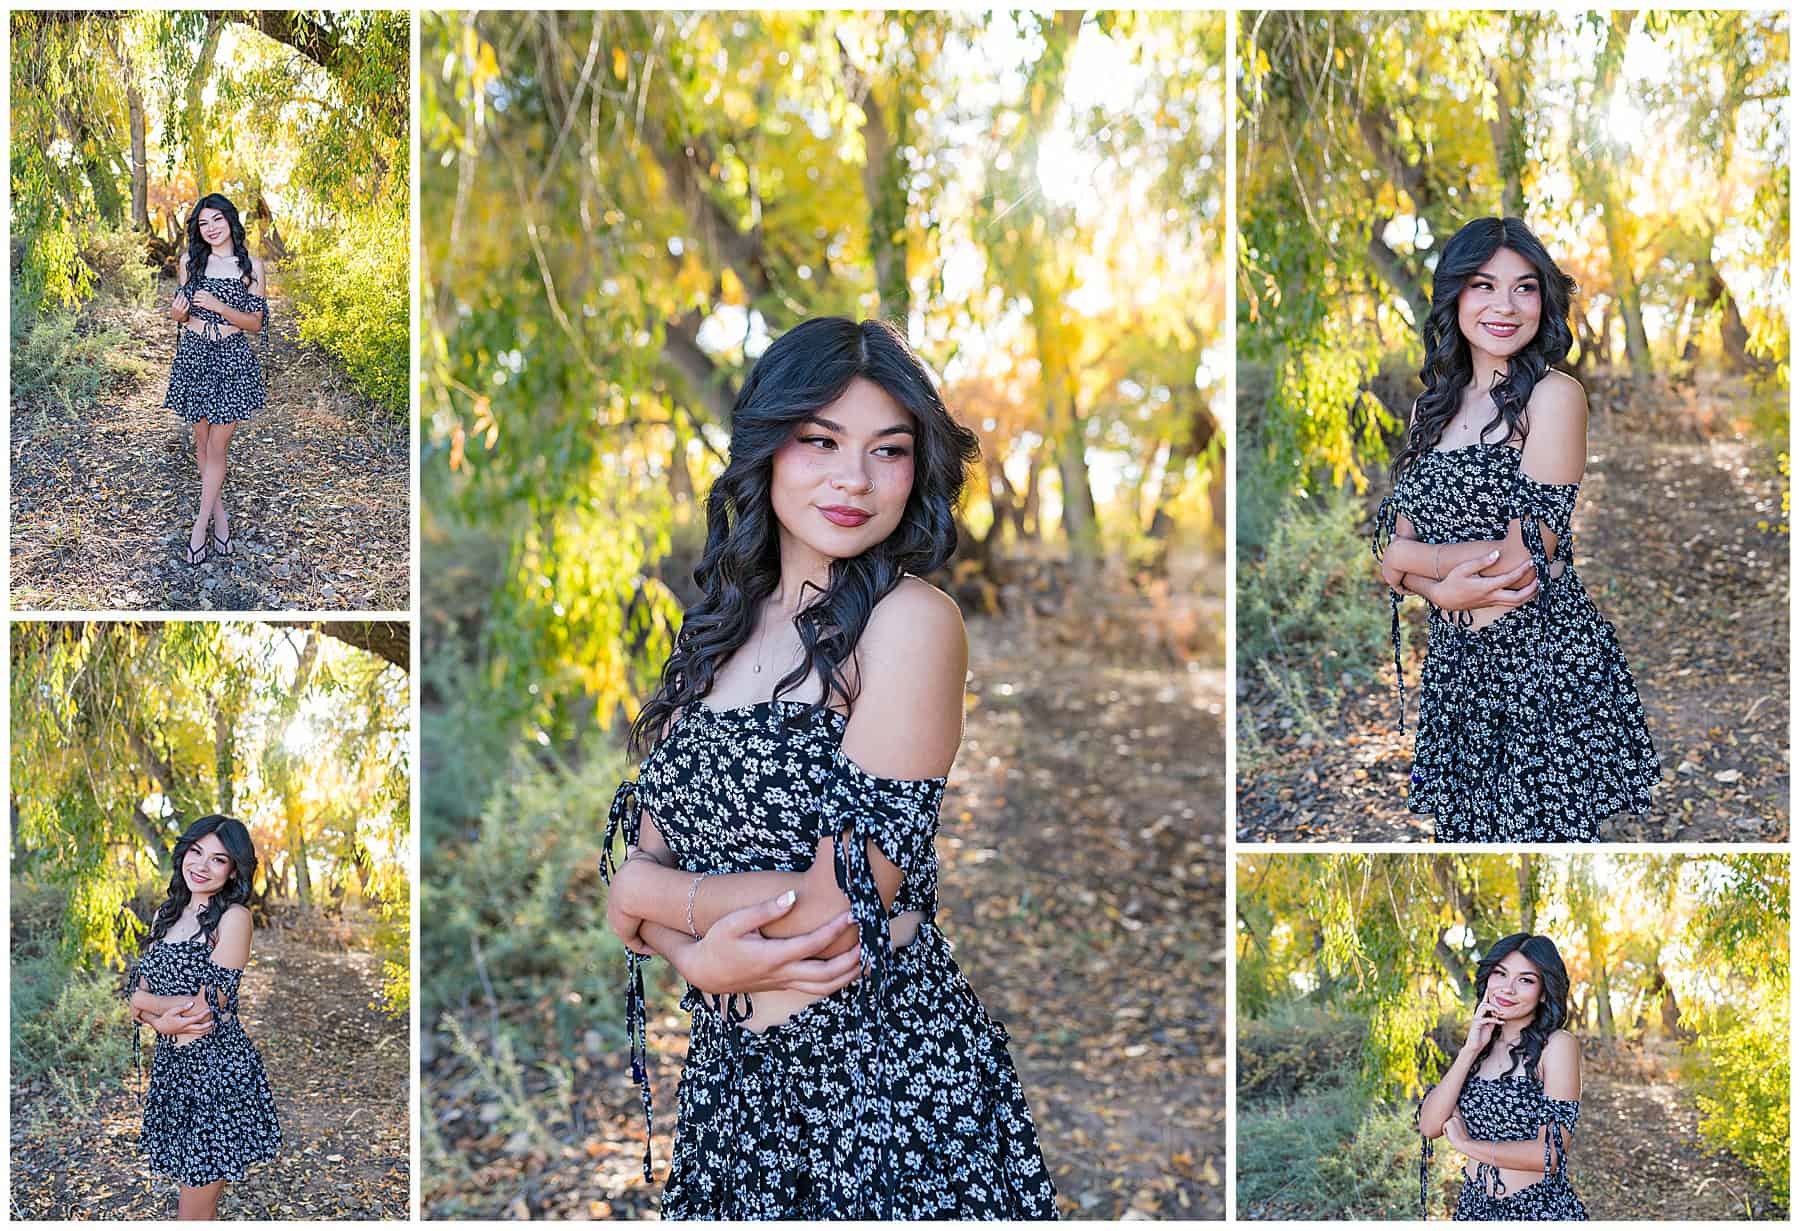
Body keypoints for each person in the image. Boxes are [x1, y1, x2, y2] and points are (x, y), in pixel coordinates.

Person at [600, 317, 1058, 1218]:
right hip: (735, 1100)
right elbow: (633, 870)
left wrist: (666, 921)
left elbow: (838, 904)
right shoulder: (716, 631)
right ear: (767, 449)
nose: (854, 478)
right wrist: (700, 954)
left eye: (888, 450)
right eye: (820, 441)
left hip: (884, 1098)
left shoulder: (911, 624)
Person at [1371, 216, 1659, 841]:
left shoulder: (1555, 397)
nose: (1505, 305)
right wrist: (1437, 588)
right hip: (1456, 671)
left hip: (1542, 669)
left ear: (1543, 300)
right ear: (1455, 296)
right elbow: (1392, 549)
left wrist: (1420, 568)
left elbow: (1522, 559)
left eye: (1524, 288)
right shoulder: (1433, 406)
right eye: (1483, 285)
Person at [125, 815, 280, 1219]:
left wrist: (152, 1007)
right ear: (183, 853)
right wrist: (160, 1019)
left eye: (218, 860)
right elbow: (132, 997)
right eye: (196, 852)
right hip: (174, 1072)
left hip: (215, 1076)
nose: (201, 866)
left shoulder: (234, 918)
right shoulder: (166, 914)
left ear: (233, 871)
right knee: (197, 1206)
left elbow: (207, 1007)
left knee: (192, 1209)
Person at [1417, 934, 1585, 1220]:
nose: (1507, 989)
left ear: (1544, 992)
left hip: (1537, 1211)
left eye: (1526, 980)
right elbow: (1430, 1125)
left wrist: (1468, 1146)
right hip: (1474, 1209)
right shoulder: (1478, 1048)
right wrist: (1471, 1048)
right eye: (1500, 973)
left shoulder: (1556, 1045)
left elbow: (1550, 1154)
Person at [164, 193, 269, 566]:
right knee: (202, 440)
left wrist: (221, 307)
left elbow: (256, 323)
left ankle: (199, 527)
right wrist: (180, 315)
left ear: (230, 221)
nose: (210, 229)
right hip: (194, 355)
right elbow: (184, 312)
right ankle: (220, 519)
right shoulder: (190, 262)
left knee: (218, 448)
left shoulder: (251, 266)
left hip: (231, 359)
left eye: (216, 221)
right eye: (203, 223)